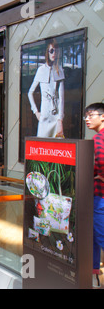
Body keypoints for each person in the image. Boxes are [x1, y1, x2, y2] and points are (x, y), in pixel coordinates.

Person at [27, 38, 65, 138]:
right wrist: (36, 112)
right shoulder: (41, 70)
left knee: (56, 146)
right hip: (44, 115)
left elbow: (61, 98)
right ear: (47, 52)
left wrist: (60, 119)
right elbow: (30, 92)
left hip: (56, 116)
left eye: (56, 51)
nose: (54, 54)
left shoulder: (59, 69)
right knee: (42, 145)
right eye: (51, 51)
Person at [84, 102, 104, 288]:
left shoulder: (99, 139)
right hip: (98, 197)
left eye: (91, 115)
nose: (87, 119)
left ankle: (93, 276)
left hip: (100, 198)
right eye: (86, 116)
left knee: (98, 236)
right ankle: (93, 275)